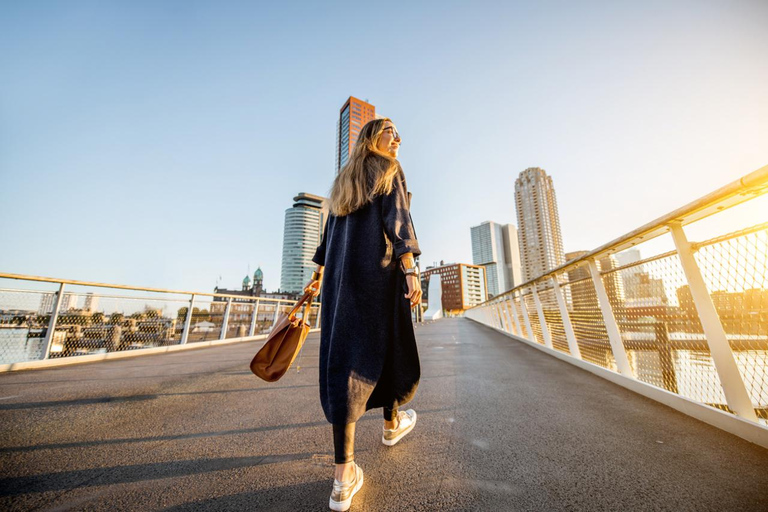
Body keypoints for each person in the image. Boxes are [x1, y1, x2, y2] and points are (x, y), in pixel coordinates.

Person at [304, 118, 422, 511]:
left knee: (343, 362)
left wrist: (319, 277)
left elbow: (328, 237)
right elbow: (398, 219)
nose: (397, 137)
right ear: (372, 137)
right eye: (390, 130)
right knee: (388, 347)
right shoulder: (389, 168)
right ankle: (389, 425)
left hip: (340, 282)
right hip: (377, 275)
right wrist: (409, 269)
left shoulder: (343, 181)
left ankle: (344, 476)